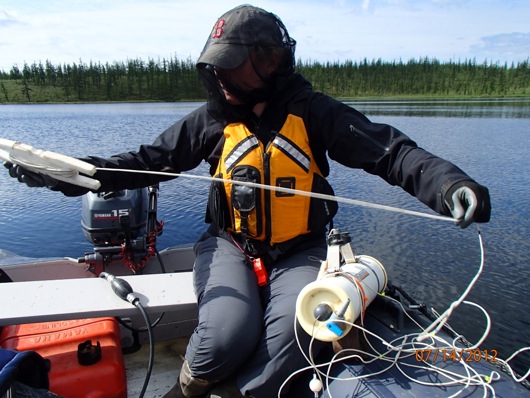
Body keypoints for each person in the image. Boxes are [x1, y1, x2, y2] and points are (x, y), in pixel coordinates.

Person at [4, 4, 491, 398]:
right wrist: (63, 176)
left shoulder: (315, 113)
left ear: (268, 62)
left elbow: (392, 153)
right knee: (223, 337)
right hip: (228, 245)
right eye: (218, 64)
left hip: (301, 248)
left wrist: (448, 184)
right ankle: (190, 386)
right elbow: (142, 162)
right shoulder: (210, 120)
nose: (220, 75)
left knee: (294, 336)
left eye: (232, 64)